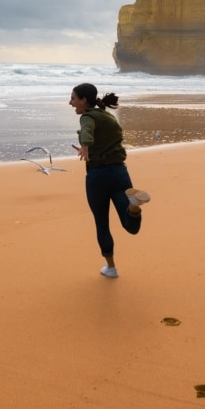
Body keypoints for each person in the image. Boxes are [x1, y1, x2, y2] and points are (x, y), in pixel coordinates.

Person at [69, 82, 150, 279]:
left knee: (102, 223)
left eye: (73, 98)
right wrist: (87, 145)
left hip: (97, 177)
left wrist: (85, 145)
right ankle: (134, 206)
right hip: (119, 173)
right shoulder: (106, 115)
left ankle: (111, 268)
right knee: (131, 226)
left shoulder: (88, 117)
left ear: (83, 100)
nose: (70, 103)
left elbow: (87, 129)